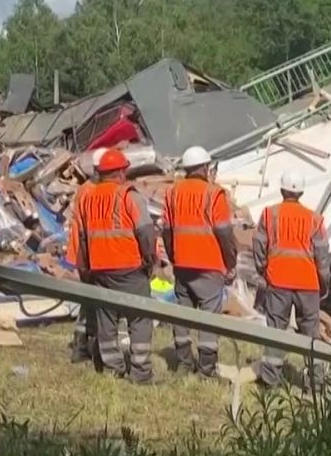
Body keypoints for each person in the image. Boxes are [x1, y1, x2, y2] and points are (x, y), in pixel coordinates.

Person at [71, 148, 159, 384]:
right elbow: (145, 232)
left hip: (100, 269)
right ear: (121, 172)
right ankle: (140, 371)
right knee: (140, 317)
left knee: (106, 319)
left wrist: (86, 267)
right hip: (129, 267)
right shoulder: (129, 195)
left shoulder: (88, 197)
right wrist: (150, 259)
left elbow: (82, 236)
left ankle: (112, 368)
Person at [161, 146, 239, 377]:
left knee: (183, 314)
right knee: (208, 317)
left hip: (182, 264)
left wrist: (173, 256)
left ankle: (184, 363)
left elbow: (166, 231)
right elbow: (224, 232)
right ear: (205, 168)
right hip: (209, 265)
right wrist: (230, 262)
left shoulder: (173, 193)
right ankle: (206, 369)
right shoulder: (214, 194)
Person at [252, 171, 331, 389]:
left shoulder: (269, 214)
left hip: (278, 280)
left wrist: (263, 270)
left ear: (282, 190)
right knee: (311, 334)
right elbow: (322, 255)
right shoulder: (314, 219)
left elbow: (258, 244)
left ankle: (270, 381)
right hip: (308, 284)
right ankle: (315, 383)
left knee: (276, 330)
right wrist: (324, 282)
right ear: (301, 192)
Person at [67, 148, 105, 366]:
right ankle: (87, 345)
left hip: (83, 254)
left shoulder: (85, 189)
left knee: (89, 300)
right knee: (95, 301)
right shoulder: (92, 192)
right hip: (89, 255)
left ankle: (83, 343)